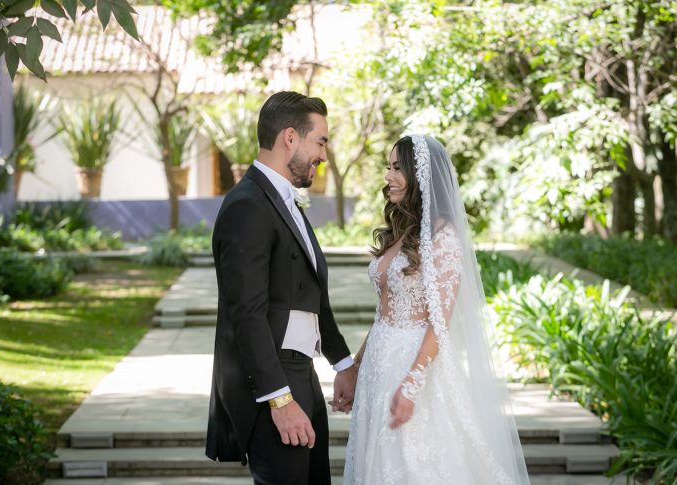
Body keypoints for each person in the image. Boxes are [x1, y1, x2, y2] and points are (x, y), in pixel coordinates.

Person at [342, 134, 531, 484]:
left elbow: (440, 322)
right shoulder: (400, 231)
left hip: (414, 366)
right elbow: (384, 313)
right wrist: (355, 366)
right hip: (377, 370)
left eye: (397, 168)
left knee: (413, 466)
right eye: (388, 166)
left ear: (418, 176)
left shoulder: (443, 237)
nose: (388, 175)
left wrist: (411, 386)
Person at [205, 91, 358, 485]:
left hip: (301, 372)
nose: (324, 154)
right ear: (290, 137)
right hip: (272, 384)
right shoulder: (247, 206)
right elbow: (246, 313)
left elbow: (310, 296)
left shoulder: (283, 200)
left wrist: (342, 365)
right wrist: (279, 399)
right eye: (320, 141)